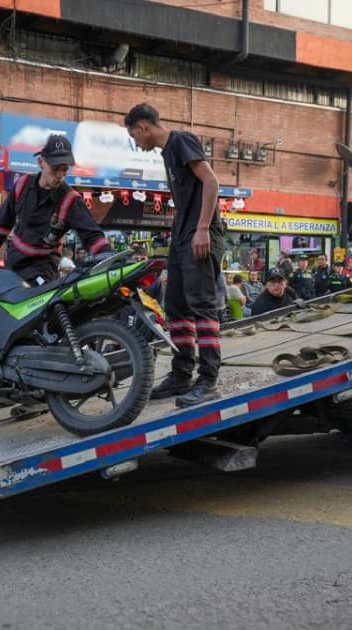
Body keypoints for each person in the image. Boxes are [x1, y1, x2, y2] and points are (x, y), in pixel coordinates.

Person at [126, 103, 224, 407]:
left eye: (134, 135)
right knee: (177, 306)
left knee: (202, 305)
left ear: (143, 126)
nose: (137, 143)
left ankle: (208, 380)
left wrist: (203, 228)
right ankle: (182, 375)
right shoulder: (167, 152)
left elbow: (211, 181)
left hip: (200, 234)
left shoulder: (181, 140)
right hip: (182, 236)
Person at [0, 134, 111, 285]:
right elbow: (0, 228)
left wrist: (110, 259)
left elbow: (93, 236)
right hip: (13, 268)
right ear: (41, 162)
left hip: (43, 274)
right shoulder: (22, 185)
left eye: (64, 169)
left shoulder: (70, 200)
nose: (60, 175)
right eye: (55, 169)